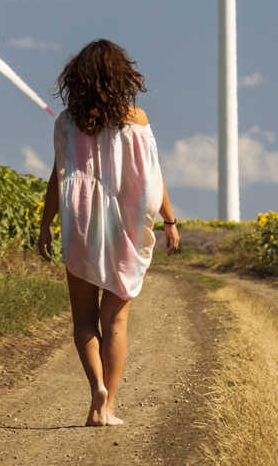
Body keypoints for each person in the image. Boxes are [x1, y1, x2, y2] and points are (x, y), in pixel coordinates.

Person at [37, 39, 179, 427]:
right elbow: (154, 176)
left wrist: (46, 224)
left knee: (83, 320)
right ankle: (107, 407)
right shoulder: (139, 120)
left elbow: (58, 177)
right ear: (122, 78)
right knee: (115, 321)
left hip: (81, 223)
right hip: (125, 226)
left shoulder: (65, 122)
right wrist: (169, 220)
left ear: (76, 80)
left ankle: (96, 385)